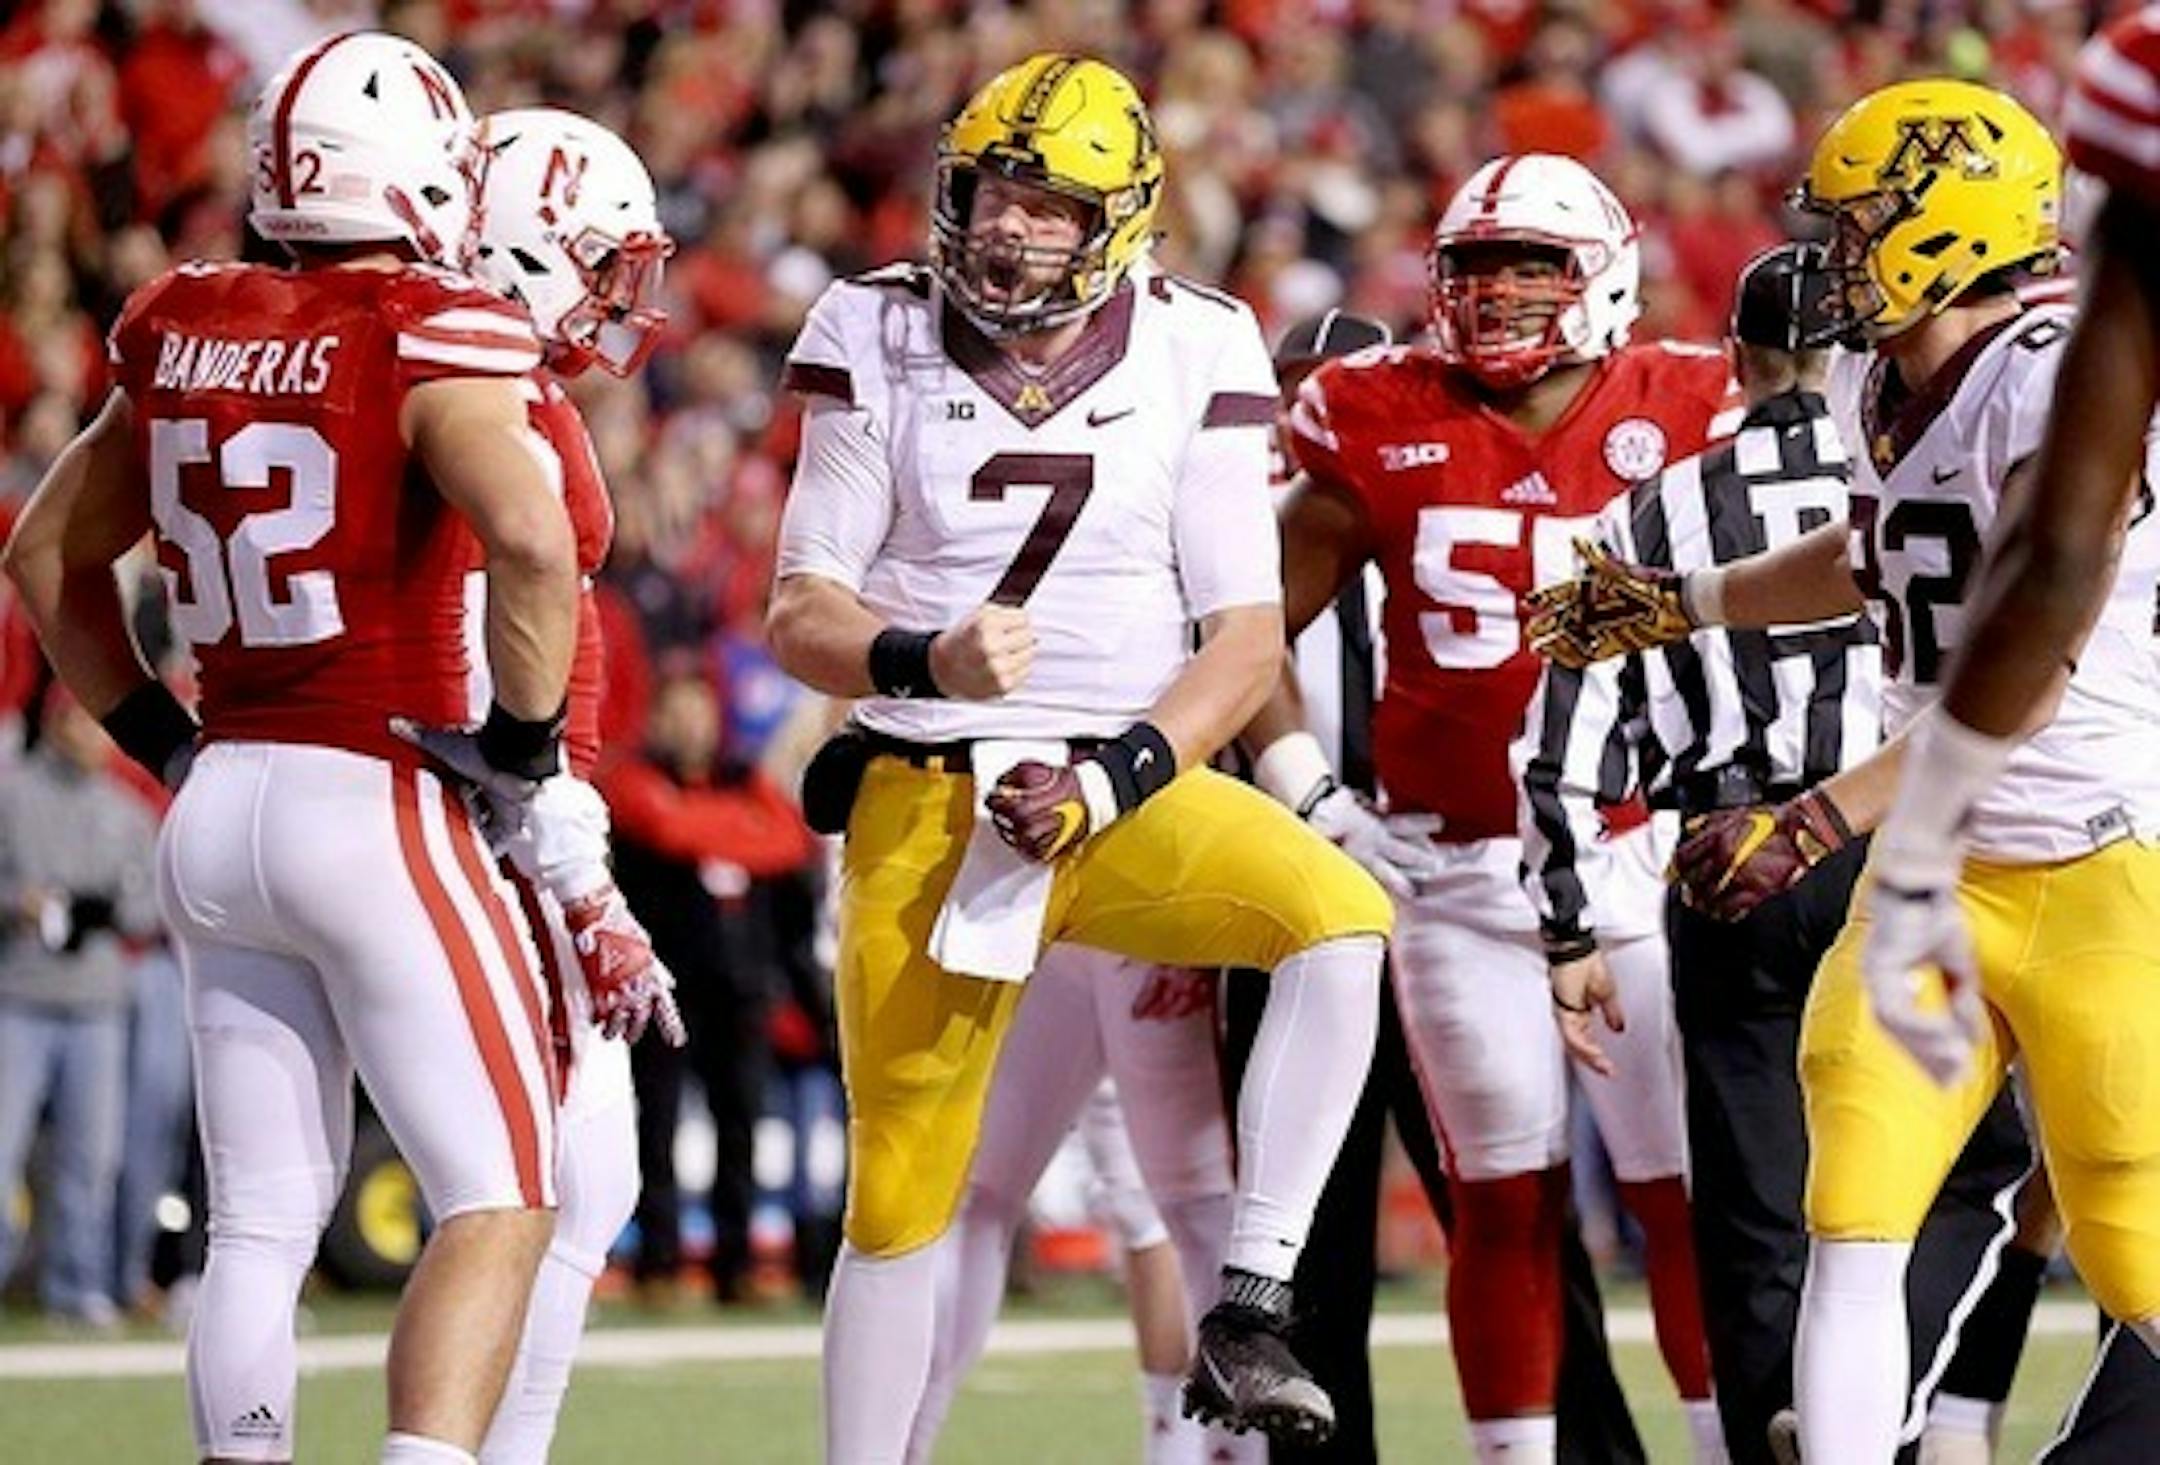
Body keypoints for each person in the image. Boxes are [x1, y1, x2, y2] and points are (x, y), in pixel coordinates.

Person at [1523, 78, 2160, 1462]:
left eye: (1863, 220)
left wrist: (1815, 816)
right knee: (1852, 1210)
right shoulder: (1896, 375)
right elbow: (1875, 563)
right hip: (1941, 867)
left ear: (1948, 225)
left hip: (2098, 859)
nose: (1834, 250)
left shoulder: (2054, 372)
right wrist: (1680, 600)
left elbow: (2025, 677)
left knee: (2136, 1254)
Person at [766, 52, 1393, 1456]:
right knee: (902, 1201)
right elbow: (801, 609)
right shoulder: (872, 324)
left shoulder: (1202, 338)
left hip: (1126, 788)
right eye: (993, 192)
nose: (1006, 227)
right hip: (930, 784)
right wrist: (923, 660)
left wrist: (1113, 772)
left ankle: (1248, 1299)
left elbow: (1241, 640)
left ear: (1117, 219)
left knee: (1341, 921)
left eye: (1048, 206)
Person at [2, 32, 581, 1465]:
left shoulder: (185, 317)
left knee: (260, 1216)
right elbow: (531, 538)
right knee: (501, 1191)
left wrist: (166, 741)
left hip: (225, 800)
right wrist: (522, 744)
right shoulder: (424, 323)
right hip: (375, 788)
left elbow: (43, 559)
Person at [1268, 152, 1733, 1464]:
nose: (1498, 295)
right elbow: (1246, 629)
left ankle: (1721, 1445)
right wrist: (1311, 787)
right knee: (1506, 1201)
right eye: (1474, 267)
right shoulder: (1373, 408)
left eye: (1533, 264)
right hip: (1455, 877)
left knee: (1681, 1197)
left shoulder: (1695, 401)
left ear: (1606, 275)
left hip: (1635, 856)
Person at [1230, 308, 1647, 1465]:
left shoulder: (1458, 497)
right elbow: (1218, 674)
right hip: (1291, 896)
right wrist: (1314, 805)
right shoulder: (1256, 529)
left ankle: (1592, 1451)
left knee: (1513, 1209)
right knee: (1297, 1240)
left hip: (1449, 880)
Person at [446, 105, 687, 1465]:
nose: (623, 300)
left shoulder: (496, 385)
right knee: (564, 1174)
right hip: (494, 814)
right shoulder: (469, 387)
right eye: (602, 261)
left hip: (512, 808)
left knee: (576, 1176)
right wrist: (576, 869)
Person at [906, 951, 1250, 1465]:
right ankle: (1187, 1446)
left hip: (1064, 932)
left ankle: (896, 1441)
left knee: (982, 1201)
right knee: (1183, 1212)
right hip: (1115, 928)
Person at [600, 658, 816, 1305]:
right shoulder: (636, 777)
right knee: (658, 1125)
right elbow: (662, 823)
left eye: (700, 709)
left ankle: (736, 1263)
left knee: (740, 1125)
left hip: (740, 983)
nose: (690, 723)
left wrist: (710, 825)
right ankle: (658, 1264)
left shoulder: (742, 776)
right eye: (678, 710)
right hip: (665, 984)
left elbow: (786, 842)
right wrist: (731, 826)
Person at [0, 684, 159, 1329]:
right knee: (2, 1150)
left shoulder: (126, 811)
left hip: (98, 1003)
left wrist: (106, 912)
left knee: (92, 1156)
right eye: (84, 723)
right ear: (58, 723)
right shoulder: (11, 797)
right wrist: (19, 904)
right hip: (20, 995)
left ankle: (78, 1286)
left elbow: (150, 908)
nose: (98, 738)